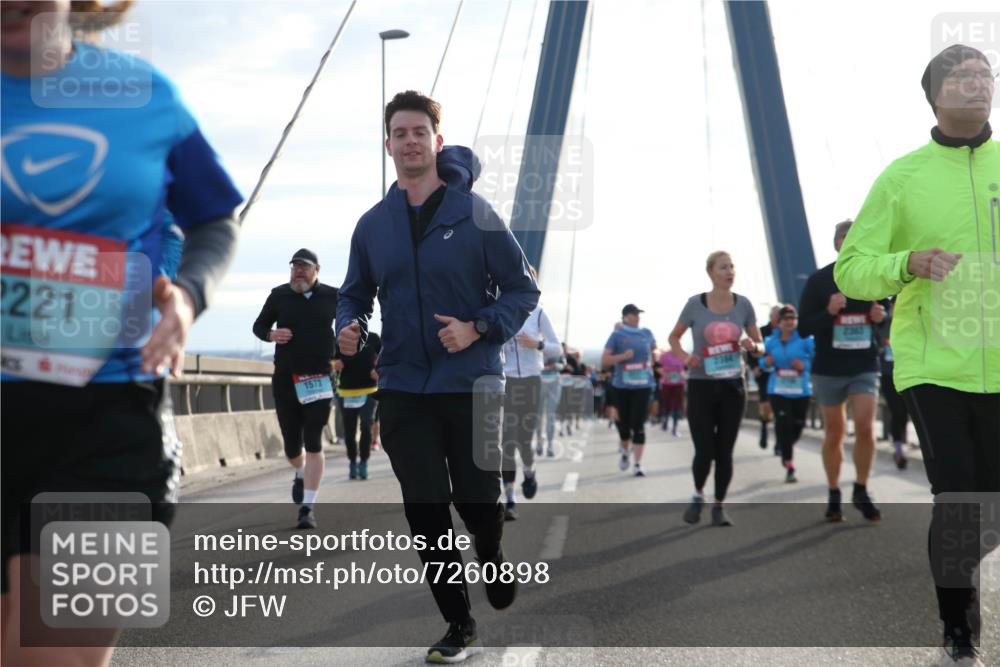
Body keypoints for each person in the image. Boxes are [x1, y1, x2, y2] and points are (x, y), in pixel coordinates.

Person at [1, 3, 242, 666]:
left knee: (57, 658)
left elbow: (215, 220)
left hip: (111, 418)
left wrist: (188, 299)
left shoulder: (147, 97)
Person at [336, 90, 539, 664]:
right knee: (425, 510)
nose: (409, 142)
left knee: (477, 500)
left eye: (419, 132)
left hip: (472, 381)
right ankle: (459, 623)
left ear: (437, 142)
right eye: (398, 133)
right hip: (402, 387)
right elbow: (354, 292)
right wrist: (348, 324)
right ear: (388, 144)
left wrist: (479, 327)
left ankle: (492, 553)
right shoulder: (373, 225)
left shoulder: (475, 214)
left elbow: (524, 290)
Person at [834, 44, 998, 666]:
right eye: (962, 75)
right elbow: (853, 271)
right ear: (933, 95)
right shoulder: (901, 178)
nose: (978, 82)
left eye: (986, 73)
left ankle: (950, 567)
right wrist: (908, 263)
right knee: (958, 495)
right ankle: (959, 630)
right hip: (936, 364)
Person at [799, 220, 889, 523]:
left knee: (865, 427)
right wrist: (829, 312)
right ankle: (834, 491)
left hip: (863, 364)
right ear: (836, 243)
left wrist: (882, 316)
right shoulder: (819, 281)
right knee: (834, 431)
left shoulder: (875, 278)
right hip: (828, 368)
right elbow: (803, 327)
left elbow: (892, 323)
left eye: (855, 237)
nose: (849, 241)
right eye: (843, 237)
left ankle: (861, 489)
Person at [668, 251, 763, 526]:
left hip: (734, 385)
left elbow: (760, 344)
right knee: (705, 449)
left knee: (725, 451)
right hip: (701, 385)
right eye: (723, 267)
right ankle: (698, 494)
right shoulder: (695, 305)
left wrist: (752, 346)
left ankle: (719, 505)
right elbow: (673, 337)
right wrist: (685, 357)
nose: (730, 271)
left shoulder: (743, 305)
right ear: (710, 272)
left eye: (732, 266)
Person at [252, 249, 338, 530]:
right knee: (291, 445)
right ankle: (300, 472)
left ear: (317, 270)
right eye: (294, 267)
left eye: (304, 267)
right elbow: (259, 325)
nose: (298, 272)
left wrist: (345, 355)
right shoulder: (279, 295)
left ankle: (307, 507)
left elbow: (351, 322)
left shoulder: (333, 296)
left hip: (320, 378)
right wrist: (271, 334)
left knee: (313, 439)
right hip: (286, 378)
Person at [499, 284, 561, 520]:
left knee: (524, 439)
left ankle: (530, 471)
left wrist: (538, 344)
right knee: (507, 442)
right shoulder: (500, 310)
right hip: (507, 382)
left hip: (531, 381)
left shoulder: (539, 312)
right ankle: (510, 499)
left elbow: (556, 348)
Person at [761, 305, 815, 483]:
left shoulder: (806, 340)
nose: (789, 322)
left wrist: (804, 365)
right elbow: (762, 361)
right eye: (786, 319)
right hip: (778, 389)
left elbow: (817, 360)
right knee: (784, 423)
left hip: (800, 390)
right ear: (779, 322)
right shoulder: (771, 341)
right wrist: (766, 362)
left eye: (793, 318)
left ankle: (784, 445)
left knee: (798, 426)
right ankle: (789, 464)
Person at [602, 304, 657, 477]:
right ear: (625, 316)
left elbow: (654, 351)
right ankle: (625, 451)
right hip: (622, 387)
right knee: (624, 426)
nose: (637, 317)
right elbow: (605, 360)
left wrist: (651, 360)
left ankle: (638, 464)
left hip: (643, 385)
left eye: (638, 314)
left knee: (638, 423)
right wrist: (623, 357)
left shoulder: (646, 333)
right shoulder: (617, 335)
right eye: (634, 314)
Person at [334, 331, 381, 480]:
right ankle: (353, 461)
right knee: (349, 430)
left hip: (369, 390)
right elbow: (330, 359)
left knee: (366, 425)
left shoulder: (373, 338)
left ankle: (364, 461)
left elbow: (385, 356)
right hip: (346, 391)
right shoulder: (341, 337)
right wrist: (335, 364)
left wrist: (378, 370)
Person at [878, 298, 909, 469]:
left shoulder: (914, 324)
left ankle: (903, 444)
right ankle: (898, 448)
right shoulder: (883, 325)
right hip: (889, 376)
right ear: (891, 307)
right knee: (897, 411)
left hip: (911, 375)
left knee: (906, 412)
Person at [750, 306, 780, 452]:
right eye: (777, 316)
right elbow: (751, 352)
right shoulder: (762, 332)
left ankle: (779, 442)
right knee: (766, 406)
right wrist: (754, 367)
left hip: (782, 373)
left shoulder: (787, 332)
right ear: (771, 317)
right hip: (764, 374)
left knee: (780, 407)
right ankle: (764, 427)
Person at [657, 348, 687, 436]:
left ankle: (675, 428)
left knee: (677, 405)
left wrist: (684, 375)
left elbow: (686, 368)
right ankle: (665, 421)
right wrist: (666, 375)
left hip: (679, 384)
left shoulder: (683, 355)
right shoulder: (664, 356)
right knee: (667, 404)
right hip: (667, 384)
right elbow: (657, 367)